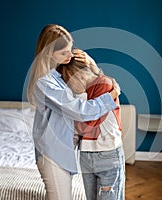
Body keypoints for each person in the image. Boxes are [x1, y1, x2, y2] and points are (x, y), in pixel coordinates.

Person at [27, 24, 121, 200]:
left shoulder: (58, 76)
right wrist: (111, 96)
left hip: (61, 151)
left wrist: (91, 64)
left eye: (70, 50)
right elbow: (80, 110)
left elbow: (86, 84)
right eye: (64, 53)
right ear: (48, 53)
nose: (69, 56)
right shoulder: (45, 83)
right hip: (52, 153)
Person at [57, 48, 125, 200]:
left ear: (73, 75)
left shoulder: (105, 83)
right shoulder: (81, 94)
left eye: (67, 82)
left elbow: (87, 123)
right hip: (86, 156)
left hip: (107, 154)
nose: (68, 88)